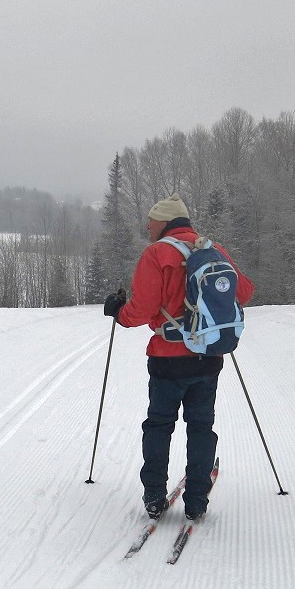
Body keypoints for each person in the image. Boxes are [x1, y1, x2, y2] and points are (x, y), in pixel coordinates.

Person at [101, 193, 254, 522]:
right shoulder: (212, 249)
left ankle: (155, 495)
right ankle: (196, 501)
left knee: (159, 425)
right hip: (208, 356)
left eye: (151, 221)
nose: (148, 227)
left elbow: (142, 309)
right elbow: (243, 292)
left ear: (164, 221)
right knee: (201, 426)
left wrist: (118, 313)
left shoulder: (156, 253)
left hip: (167, 358)